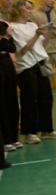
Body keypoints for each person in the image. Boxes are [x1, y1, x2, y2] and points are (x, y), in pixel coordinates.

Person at [9, 0, 56, 144]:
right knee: (29, 100)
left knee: (46, 98)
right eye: (27, 8)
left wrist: (49, 32)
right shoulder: (13, 28)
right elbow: (23, 50)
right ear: (18, 9)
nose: (30, 11)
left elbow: (42, 46)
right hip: (26, 66)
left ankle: (47, 129)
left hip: (40, 63)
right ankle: (30, 132)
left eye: (31, 8)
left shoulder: (32, 25)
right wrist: (37, 35)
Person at [0, 20, 19, 155]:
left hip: (7, 66)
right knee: (2, 105)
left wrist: (7, 37)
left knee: (12, 102)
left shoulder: (4, 28)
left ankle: (13, 137)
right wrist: (5, 38)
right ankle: (5, 139)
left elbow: (12, 48)